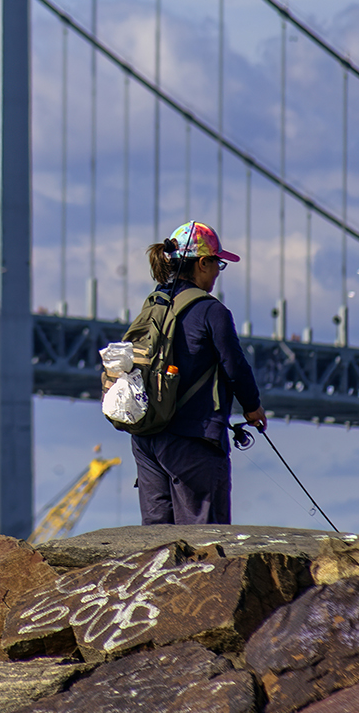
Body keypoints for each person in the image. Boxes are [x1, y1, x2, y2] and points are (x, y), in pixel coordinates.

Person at [129, 220, 267, 525]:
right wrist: (253, 406)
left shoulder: (152, 305)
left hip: (147, 438)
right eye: (217, 263)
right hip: (193, 438)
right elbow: (235, 367)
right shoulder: (210, 310)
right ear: (202, 264)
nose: (218, 271)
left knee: (155, 543)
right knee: (204, 543)